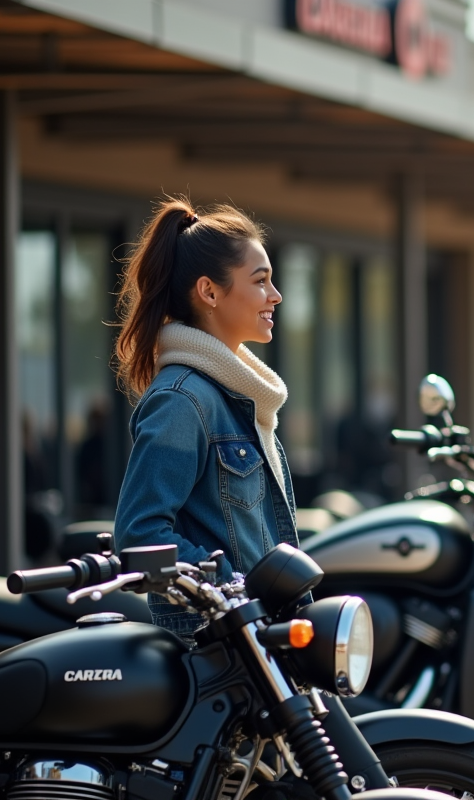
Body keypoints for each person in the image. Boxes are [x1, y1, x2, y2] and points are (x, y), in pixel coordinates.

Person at [112, 198, 293, 640]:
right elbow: (139, 537)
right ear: (210, 292)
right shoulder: (182, 400)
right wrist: (232, 587)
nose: (276, 295)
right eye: (261, 280)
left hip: (257, 641)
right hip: (216, 647)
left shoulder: (237, 399)